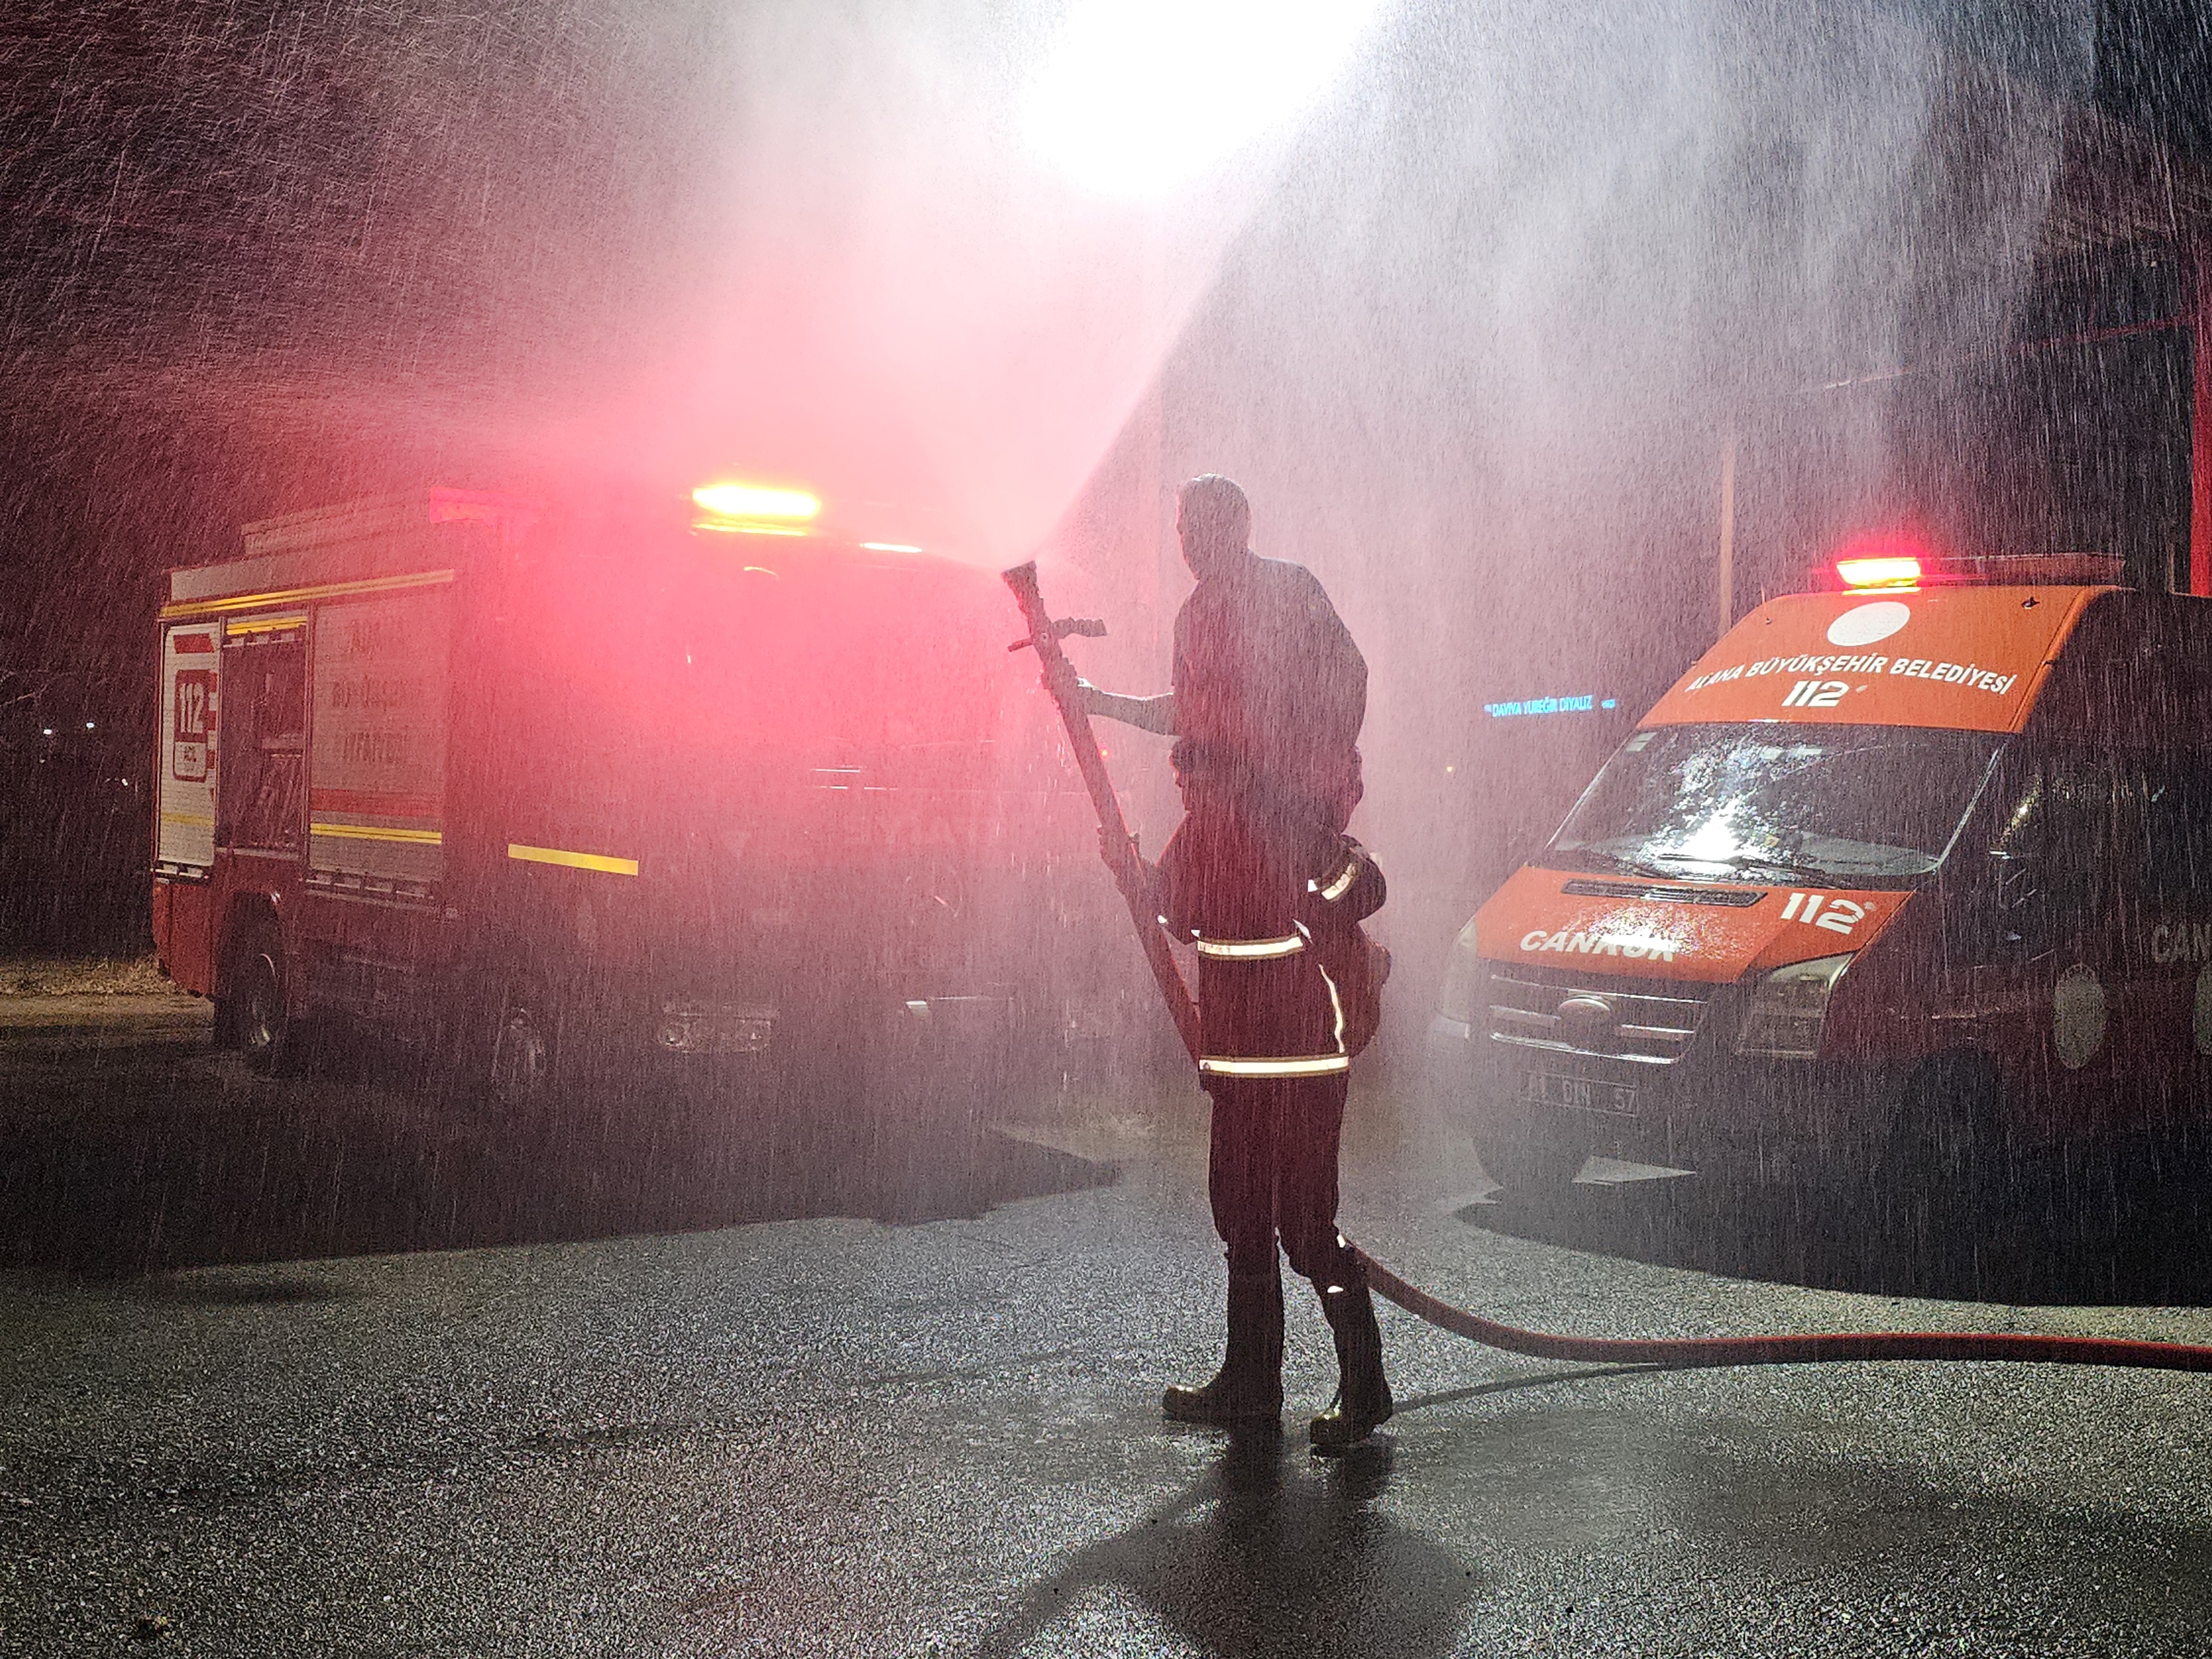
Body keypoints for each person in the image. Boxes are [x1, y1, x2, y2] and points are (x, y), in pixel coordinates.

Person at [1067, 473, 1391, 1455]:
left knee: (1304, 1228)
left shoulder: (1288, 821)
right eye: (1180, 529)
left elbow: (1357, 888)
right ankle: (1251, 1384)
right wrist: (1131, 864)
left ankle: (1363, 1384)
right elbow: (1175, 902)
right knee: (1243, 1221)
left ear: (1238, 526)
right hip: (1240, 1056)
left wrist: (1309, 887)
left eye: (1200, 526)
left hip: (1298, 1054)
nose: (1187, 543)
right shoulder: (1210, 824)